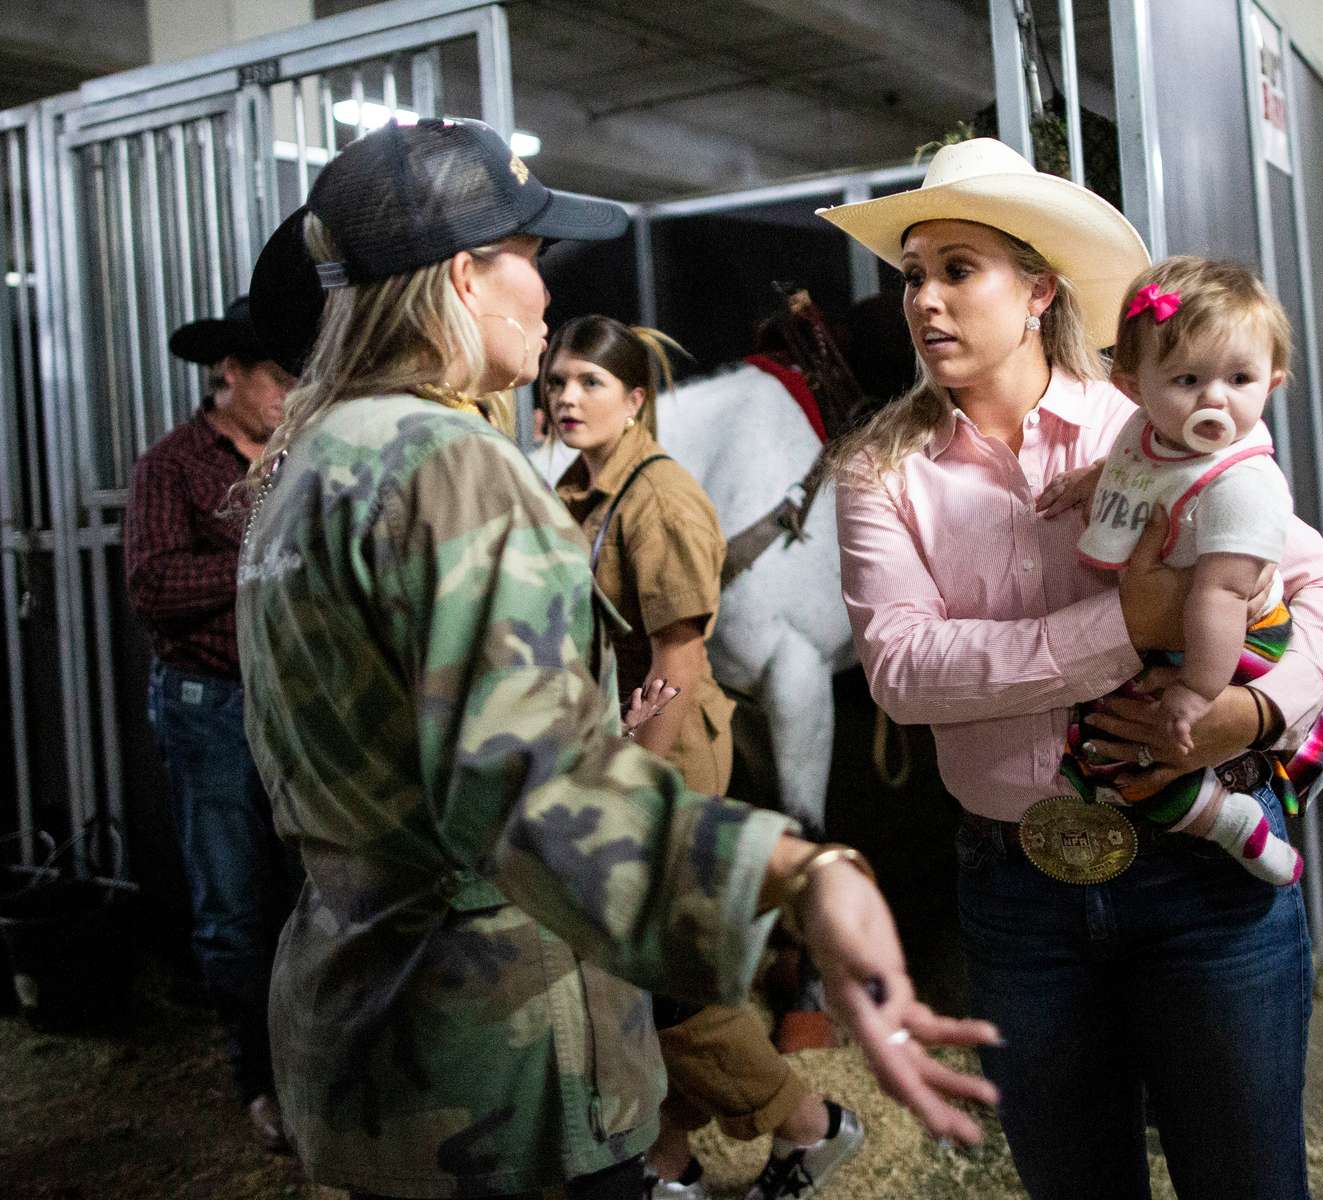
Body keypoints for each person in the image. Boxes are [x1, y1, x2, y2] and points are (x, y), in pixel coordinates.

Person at [237, 117, 997, 1200]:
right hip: (502, 1068)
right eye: (530, 261)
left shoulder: (304, 463)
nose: (546, 295)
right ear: (462, 276)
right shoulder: (450, 467)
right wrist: (792, 876)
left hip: (363, 1042)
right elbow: (525, 788)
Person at [817, 137, 1323, 1200]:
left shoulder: (1150, 419)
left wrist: (1252, 715)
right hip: (1016, 891)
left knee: (1247, 1179)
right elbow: (898, 670)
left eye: (957, 270)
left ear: (1037, 291)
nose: (924, 302)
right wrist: (1127, 625)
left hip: (1202, 884)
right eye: (911, 276)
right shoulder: (877, 470)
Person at [542, 316, 864, 1200]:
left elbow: (682, 661)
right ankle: (674, 1154)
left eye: (590, 384)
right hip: (632, 740)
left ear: (638, 400)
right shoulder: (588, 492)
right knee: (655, 972)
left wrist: (634, 787)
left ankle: (808, 1124)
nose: (568, 399)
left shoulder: (662, 498)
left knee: (667, 981)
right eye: (557, 384)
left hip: (669, 747)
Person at [1053, 256, 1323, 884]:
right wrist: (1095, 479)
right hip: (1183, 638)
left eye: (1238, 378)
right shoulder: (1148, 435)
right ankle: (1231, 822)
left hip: (1237, 630)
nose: (1214, 399)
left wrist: (1198, 691)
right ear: (1134, 388)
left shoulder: (1242, 483)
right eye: (1188, 379)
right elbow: (1137, 465)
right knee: (1109, 754)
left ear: (1271, 380)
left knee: (1216, 696)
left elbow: (1219, 594)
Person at [122, 295, 301, 1154]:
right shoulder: (172, 466)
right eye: (279, 377)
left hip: (297, 699)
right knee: (233, 906)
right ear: (228, 375)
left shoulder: (302, 454)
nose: (292, 394)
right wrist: (265, 561)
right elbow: (154, 583)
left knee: (314, 889)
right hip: (213, 702)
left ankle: (314, 1066)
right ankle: (259, 1080)